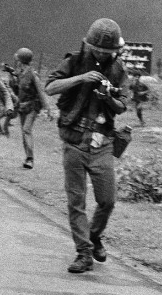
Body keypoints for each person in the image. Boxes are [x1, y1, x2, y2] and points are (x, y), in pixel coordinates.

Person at [45, 18, 131, 274]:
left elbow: (123, 104)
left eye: (107, 51)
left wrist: (108, 98)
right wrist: (80, 78)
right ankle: (83, 253)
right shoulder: (73, 61)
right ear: (88, 44)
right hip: (73, 140)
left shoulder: (118, 69)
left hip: (102, 142)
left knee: (107, 201)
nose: (102, 54)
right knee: (76, 200)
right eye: (97, 49)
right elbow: (50, 87)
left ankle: (93, 237)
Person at [11, 48, 51, 169]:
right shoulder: (19, 73)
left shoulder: (33, 74)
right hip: (22, 106)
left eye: (18, 59)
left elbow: (40, 91)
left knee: (27, 129)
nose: (17, 62)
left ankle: (30, 159)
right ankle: (27, 157)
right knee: (24, 132)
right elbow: (16, 89)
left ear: (21, 60)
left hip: (33, 106)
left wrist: (48, 108)